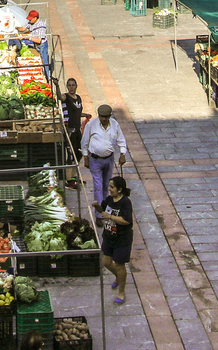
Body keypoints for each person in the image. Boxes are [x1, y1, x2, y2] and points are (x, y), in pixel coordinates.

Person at [97, 176, 134, 306]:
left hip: (122, 238)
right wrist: (97, 206)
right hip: (108, 236)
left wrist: (111, 216)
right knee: (106, 261)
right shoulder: (109, 199)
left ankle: (121, 292)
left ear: (119, 190)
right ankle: (118, 277)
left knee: (119, 265)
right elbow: (102, 211)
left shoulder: (125, 203)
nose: (109, 189)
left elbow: (127, 220)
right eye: (109, 186)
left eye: (112, 187)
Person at [82, 103, 128, 203]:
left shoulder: (114, 124)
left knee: (107, 184)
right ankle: (99, 213)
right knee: (98, 185)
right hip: (95, 160)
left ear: (109, 116)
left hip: (109, 159)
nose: (104, 119)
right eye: (102, 117)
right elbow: (84, 142)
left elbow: (121, 140)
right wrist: (86, 158)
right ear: (98, 116)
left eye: (106, 117)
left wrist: (122, 154)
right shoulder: (91, 125)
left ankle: (105, 205)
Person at [62, 76, 89, 158]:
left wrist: (86, 115)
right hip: (70, 129)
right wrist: (57, 86)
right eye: (69, 85)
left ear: (76, 86)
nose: (71, 87)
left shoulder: (78, 98)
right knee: (71, 152)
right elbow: (60, 97)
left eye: (73, 85)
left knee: (79, 151)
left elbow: (78, 112)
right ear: (67, 86)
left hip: (77, 129)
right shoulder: (66, 97)